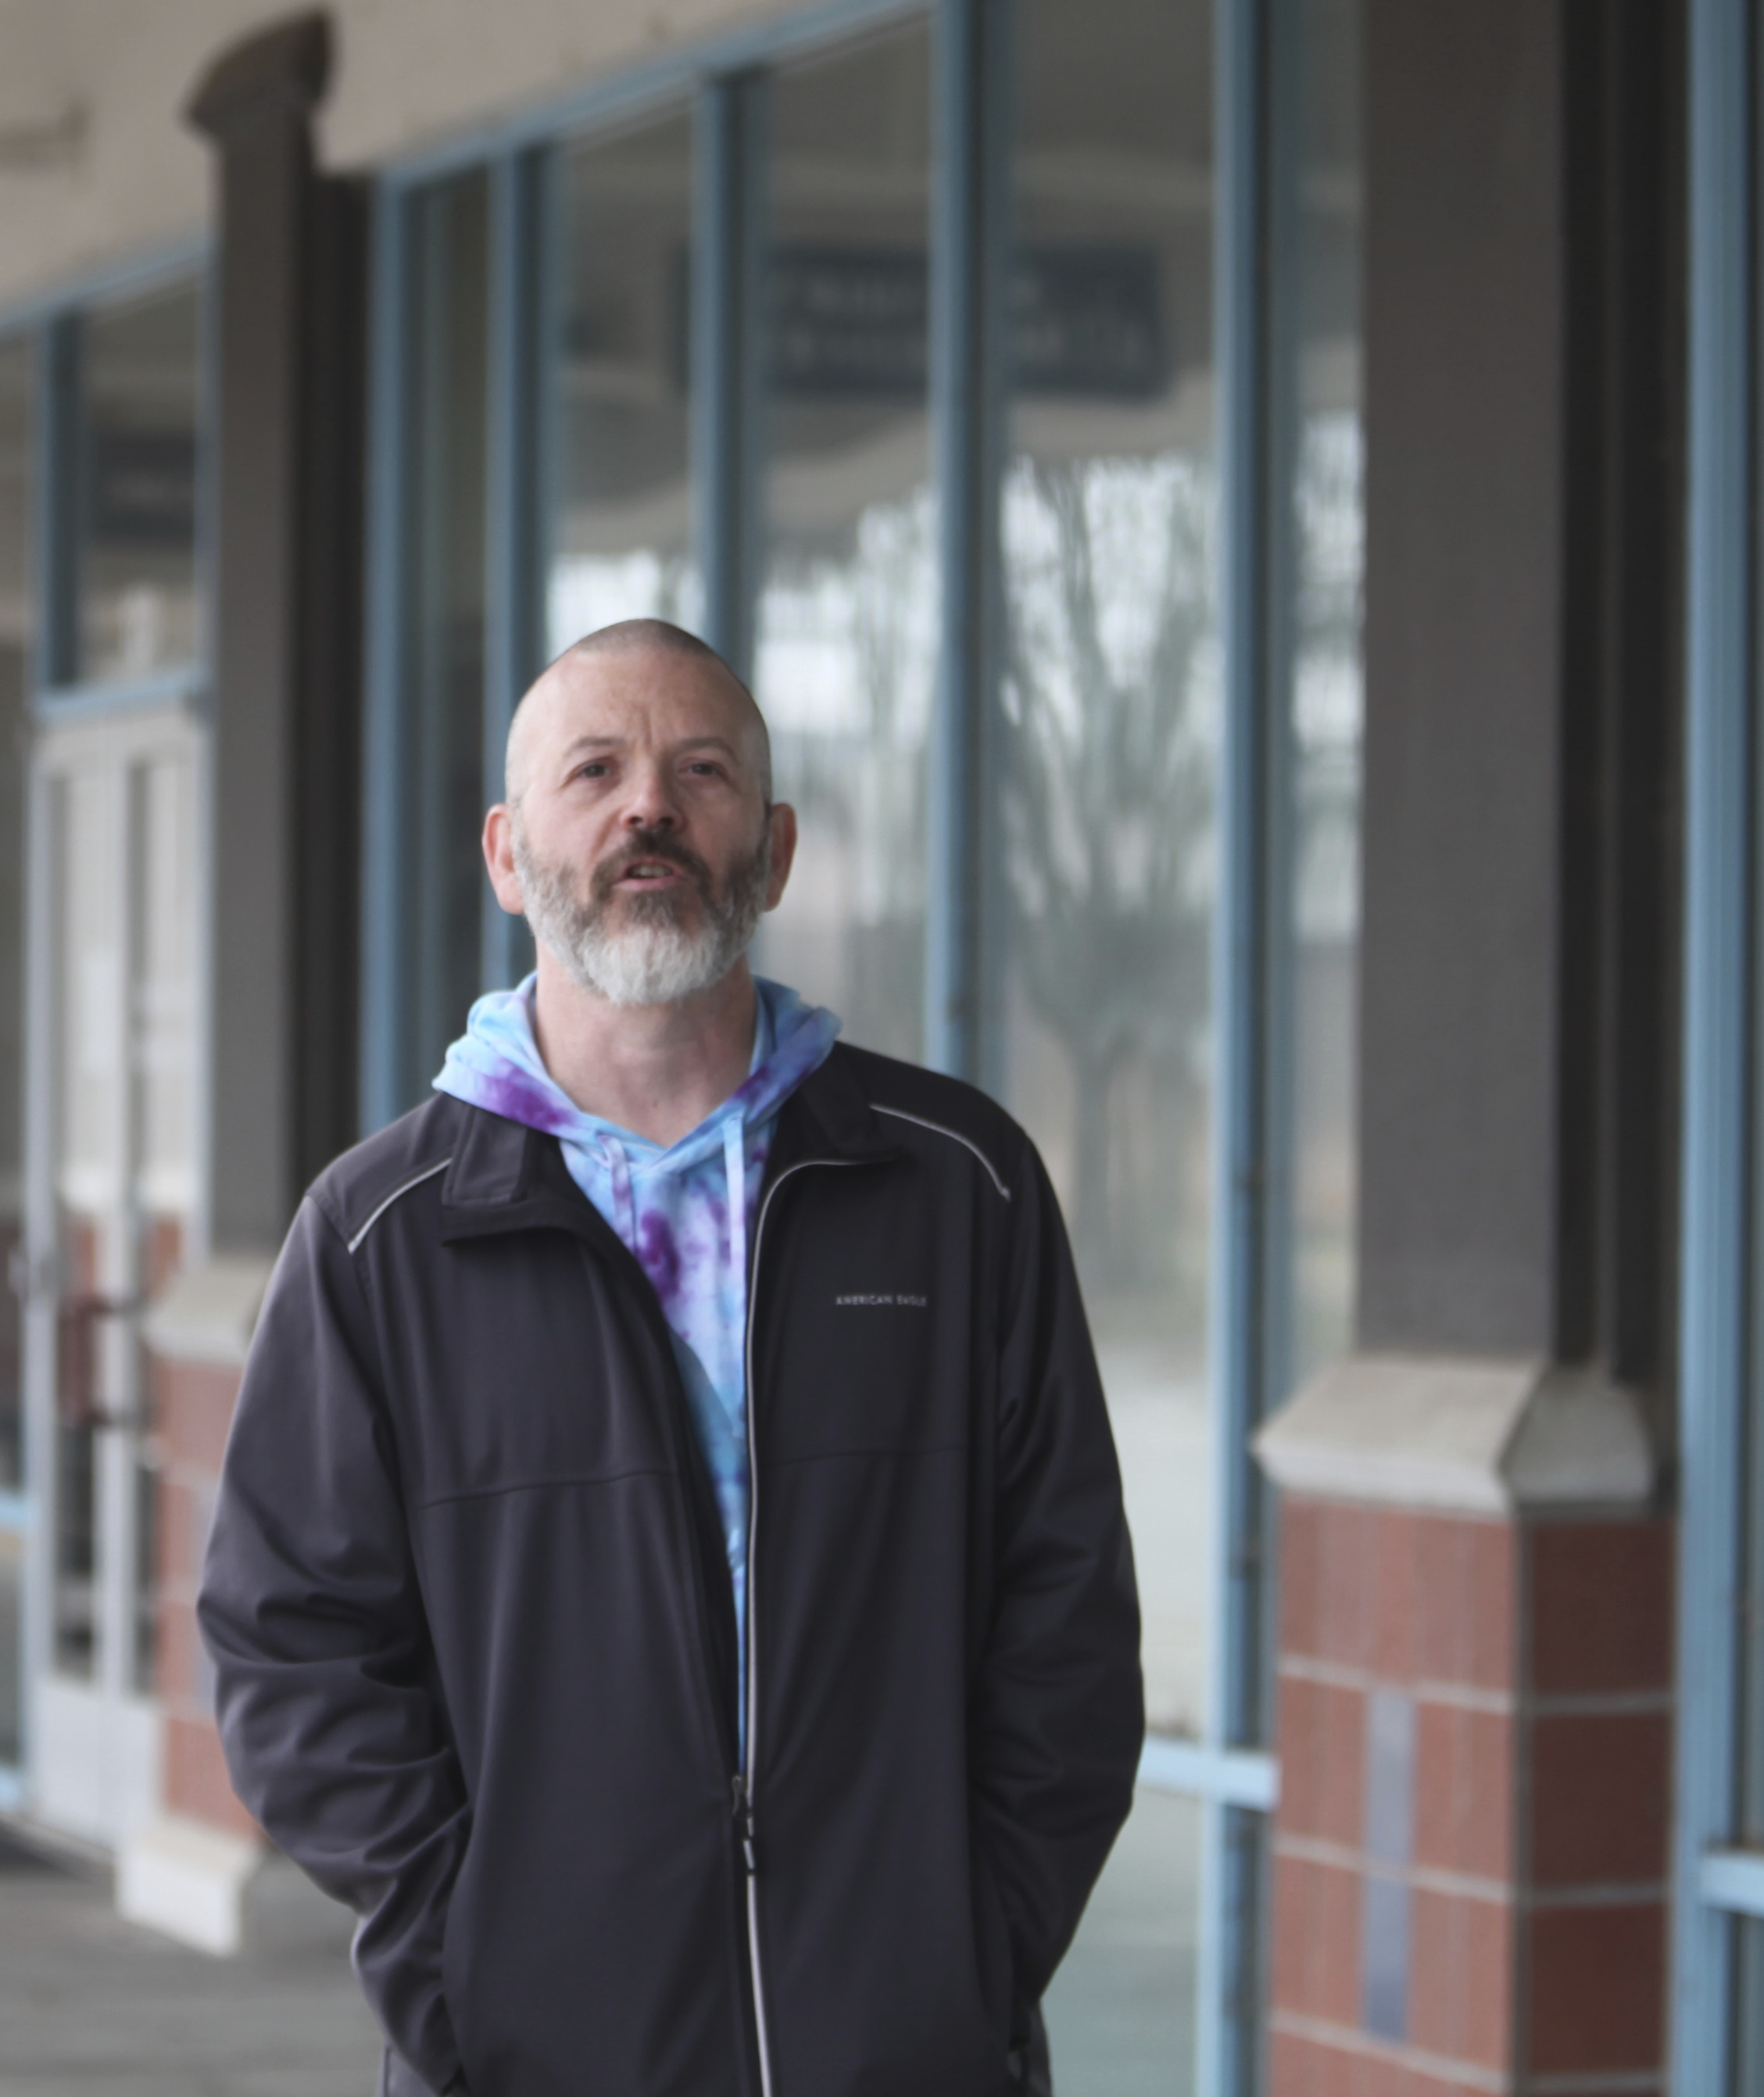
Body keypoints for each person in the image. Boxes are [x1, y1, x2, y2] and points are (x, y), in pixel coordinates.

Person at [199, 617, 1143, 2097]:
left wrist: (971, 1949)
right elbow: (290, 1645)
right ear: (511, 856)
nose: (649, 806)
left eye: (699, 771)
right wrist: (469, 1958)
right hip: (534, 2062)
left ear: (770, 852)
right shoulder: (380, 1237)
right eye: (597, 770)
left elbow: (1066, 1617)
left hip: (909, 2055)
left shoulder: (960, 1189)